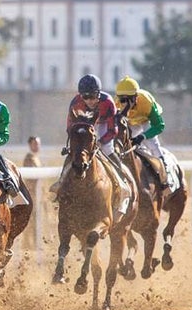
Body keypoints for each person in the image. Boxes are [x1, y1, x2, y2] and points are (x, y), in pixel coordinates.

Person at [51, 74, 133, 209]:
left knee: (108, 150)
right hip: (84, 126)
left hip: (103, 126)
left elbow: (113, 130)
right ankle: (61, 184)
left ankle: (123, 185)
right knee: (74, 154)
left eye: (92, 96)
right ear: (80, 96)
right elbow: (70, 128)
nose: (89, 100)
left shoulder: (108, 102)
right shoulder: (75, 103)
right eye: (85, 97)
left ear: (99, 94)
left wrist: (101, 142)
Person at [114, 75, 177, 193]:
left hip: (146, 120)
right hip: (131, 123)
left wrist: (143, 136)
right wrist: (123, 113)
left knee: (152, 144)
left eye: (130, 99)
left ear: (136, 97)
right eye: (123, 99)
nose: (126, 103)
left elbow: (159, 126)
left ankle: (166, 177)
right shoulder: (116, 104)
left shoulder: (146, 102)